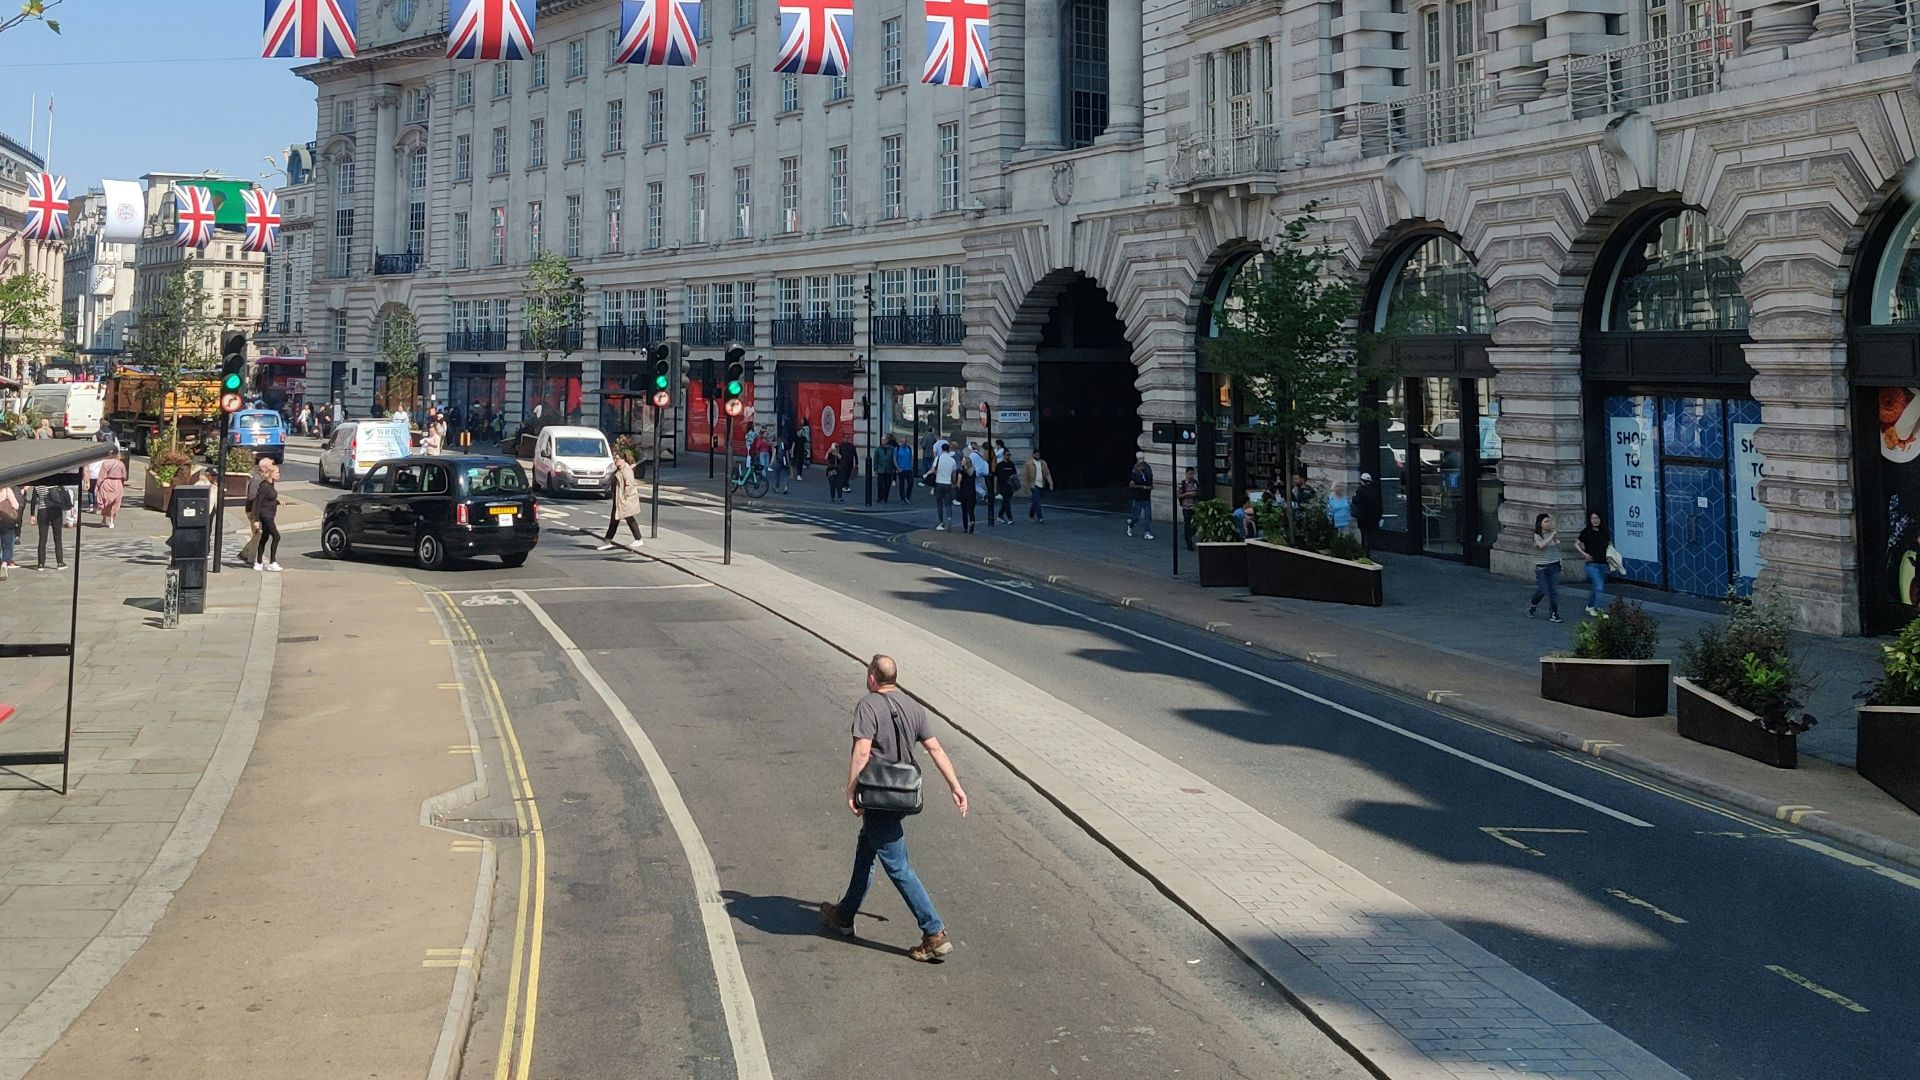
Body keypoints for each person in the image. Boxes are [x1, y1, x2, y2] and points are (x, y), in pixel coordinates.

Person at [819, 655, 967, 963]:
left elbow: (862, 750)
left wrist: (851, 789)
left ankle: (934, 932)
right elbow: (935, 748)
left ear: (873, 677)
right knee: (866, 852)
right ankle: (844, 916)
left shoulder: (868, 705)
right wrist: (955, 786)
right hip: (902, 796)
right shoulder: (914, 707)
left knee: (898, 866)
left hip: (878, 795)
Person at [596, 449, 646, 551]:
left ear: (623, 459)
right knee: (616, 520)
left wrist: (625, 497)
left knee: (628, 518)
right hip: (618, 499)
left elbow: (629, 485)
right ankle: (608, 541)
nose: (615, 460)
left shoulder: (626, 470)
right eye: (614, 458)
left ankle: (638, 539)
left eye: (617, 459)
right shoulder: (619, 469)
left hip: (623, 500)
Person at [27, 479, 72, 570]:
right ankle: (60, 562)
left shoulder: (38, 485)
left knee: (42, 538)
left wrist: (32, 514)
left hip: (42, 512)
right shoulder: (56, 483)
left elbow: (34, 500)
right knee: (58, 537)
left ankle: (40, 564)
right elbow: (63, 495)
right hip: (55, 511)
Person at [1528, 513, 1563, 623]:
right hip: (1542, 566)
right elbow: (1541, 545)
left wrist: (1554, 536)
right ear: (1540, 524)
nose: (1549, 523)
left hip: (1554, 564)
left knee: (1553, 591)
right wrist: (1552, 536)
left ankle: (1554, 613)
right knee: (1542, 589)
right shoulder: (1537, 535)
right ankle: (1533, 605)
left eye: (1549, 521)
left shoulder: (1552, 533)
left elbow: (1557, 544)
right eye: (1546, 521)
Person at [1575, 510, 1610, 616]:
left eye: (1597, 518)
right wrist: (1584, 554)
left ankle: (1590, 606)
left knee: (1596, 586)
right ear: (1590, 520)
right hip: (1591, 563)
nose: (1595, 521)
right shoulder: (1586, 532)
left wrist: (1610, 556)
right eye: (1593, 518)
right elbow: (1576, 544)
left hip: (1603, 563)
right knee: (1599, 586)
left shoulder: (1604, 532)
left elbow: (1609, 545)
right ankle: (1598, 609)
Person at [252, 460, 283, 572]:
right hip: (265, 515)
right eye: (277, 472)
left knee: (264, 537)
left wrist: (278, 502)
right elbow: (258, 502)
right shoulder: (264, 486)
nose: (279, 474)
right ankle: (272, 562)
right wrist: (256, 520)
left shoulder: (271, 484)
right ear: (270, 473)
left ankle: (259, 561)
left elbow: (270, 499)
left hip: (270, 513)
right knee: (276, 536)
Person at [238, 456, 268, 567]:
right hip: (254, 511)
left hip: (258, 511)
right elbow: (251, 496)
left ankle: (245, 553)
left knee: (258, 534)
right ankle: (251, 559)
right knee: (258, 534)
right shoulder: (257, 479)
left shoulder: (262, 479)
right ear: (264, 468)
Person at [928, 441, 959, 530]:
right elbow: (954, 474)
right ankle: (949, 517)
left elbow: (933, 470)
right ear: (949, 449)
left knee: (939, 504)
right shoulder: (952, 460)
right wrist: (954, 482)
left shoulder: (938, 458)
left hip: (938, 483)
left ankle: (941, 523)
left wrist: (926, 475)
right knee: (948, 504)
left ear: (941, 449)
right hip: (948, 483)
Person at [95, 452, 128, 530]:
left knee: (105, 502)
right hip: (117, 484)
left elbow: (101, 476)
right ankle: (112, 521)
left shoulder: (105, 463)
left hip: (106, 483)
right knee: (115, 503)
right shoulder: (121, 464)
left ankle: (104, 519)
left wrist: (97, 486)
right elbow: (124, 476)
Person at [1126, 452, 1155, 541]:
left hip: (1145, 496)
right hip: (1138, 496)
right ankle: (1131, 525)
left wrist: (1146, 487)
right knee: (1136, 516)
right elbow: (1131, 484)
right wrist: (1143, 487)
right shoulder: (1135, 470)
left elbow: (1150, 484)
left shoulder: (1147, 469)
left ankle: (1147, 531)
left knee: (1148, 515)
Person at [1353, 472, 1383, 551]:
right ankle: (1371, 547)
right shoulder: (1374, 489)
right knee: (1371, 533)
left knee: (1364, 534)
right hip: (1372, 516)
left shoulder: (1360, 490)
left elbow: (1356, 501)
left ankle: (1365, 549)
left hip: (1363, 517)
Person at [1022, 449, 1052, 523]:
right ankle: (1040, 517)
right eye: (1036, 454)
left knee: (1035, 501)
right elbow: (1025, 475)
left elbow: (1047, 474)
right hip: (1033, 484)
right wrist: (1025, 486)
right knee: (1037, 501)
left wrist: (1051, 483)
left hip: (1041, 484)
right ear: (1033, 455)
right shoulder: (1029, 463)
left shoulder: (1043, 463)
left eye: (1039, 454)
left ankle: (1031, 515)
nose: (1038, 456)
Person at [1177, 467, 1201, 551]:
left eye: (1193, 473)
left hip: (1195, 507)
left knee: (1197, 523)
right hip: (1186, 507)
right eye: (1190, 473)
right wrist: (1189, 494)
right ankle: (1189, 543)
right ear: (1186, 474)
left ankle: (1189, 534)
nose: (1191, 475)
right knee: (1187, 524)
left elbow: (1198, 493)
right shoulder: (1182, 484)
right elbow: (1179, 495)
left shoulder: (1196, 483)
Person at [0, 484, 21, 579]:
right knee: (7, 545)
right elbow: (16, 506)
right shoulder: (7, 490)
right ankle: (4, 564)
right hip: (6, 521)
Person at [993, 447, 1018, 524]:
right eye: (1007, 455)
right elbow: (996, 477)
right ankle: (1010, 518)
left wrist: (1013, 477)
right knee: (1006, 502)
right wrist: (995, 488)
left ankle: (1000, 516)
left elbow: (1015, 473)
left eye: (1009, 455)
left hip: (1010, 485)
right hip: (1002, 485)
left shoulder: (1011, 464)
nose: (1009, 456)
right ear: (1004, 455)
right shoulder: (1000, 465)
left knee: (1005, 502)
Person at [957, 450, 979, 533]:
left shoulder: (961, 473)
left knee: (964, 511)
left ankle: (965, 528)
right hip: (972, 493)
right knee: (971, 511)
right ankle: (972, 522)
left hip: (964, 493)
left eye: (962, 461)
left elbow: (959, 484)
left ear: (965, 463)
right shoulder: (973, 472)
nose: (961, 462)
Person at [873, 435, 897, 503]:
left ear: (887, 440)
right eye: (882, 440)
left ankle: (885, 497)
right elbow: (875, 459)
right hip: (881, 469)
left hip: (889, 470)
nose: (883, 441)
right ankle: (880, 497)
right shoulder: (878, 449)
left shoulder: (892, 449)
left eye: (884, 440)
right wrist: (875, 469)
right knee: (880, 484)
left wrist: (894, 469)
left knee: (887, 484)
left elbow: (894, 459)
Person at [894, 437, 916, 503]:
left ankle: (908, 496)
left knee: (911, 483)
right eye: (902, 441)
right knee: (901, 484)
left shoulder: (909, 448)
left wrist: (911, 467)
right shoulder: (897, 449)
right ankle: (902, 498)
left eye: (904, 441)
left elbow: (911, 458)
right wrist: (898, 468)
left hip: (908, 469)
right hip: (901, 469)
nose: (903, 443)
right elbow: (894, 459)